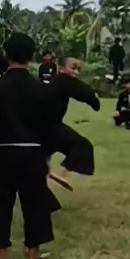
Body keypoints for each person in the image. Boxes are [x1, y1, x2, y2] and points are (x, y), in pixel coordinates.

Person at [0, 34, 56, 259]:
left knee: (0, 205)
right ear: (31, 56)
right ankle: (33, 258)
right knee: (35, 205)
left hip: (3, 154)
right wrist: (46, 158)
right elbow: (49, 127)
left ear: (7, 55)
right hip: (33, 154)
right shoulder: (41, 89)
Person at [46, 57, 100, 186]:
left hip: (40, 124)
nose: (76, 72)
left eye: (78, 69)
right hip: (49, 125)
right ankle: (60, 172)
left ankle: (44, 172)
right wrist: (95, 101)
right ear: (61, 69)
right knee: (82, 146)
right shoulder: (64, 81)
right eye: (73, 68)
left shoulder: (57, 81)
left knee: (46, 148)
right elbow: (84, 93)